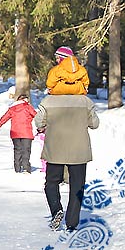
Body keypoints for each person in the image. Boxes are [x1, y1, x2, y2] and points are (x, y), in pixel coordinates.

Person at [35, 94, 99, 232]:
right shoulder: (85, 101)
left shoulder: (48, 101)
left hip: (55, 148)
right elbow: (95, 124)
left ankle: (56, 210)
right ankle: (72, 222)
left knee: (51, 183)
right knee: (77, 185)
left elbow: (39, 123)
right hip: (79, 150)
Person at [0, 94, 37, 173]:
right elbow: (36, 116)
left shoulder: (12, 108)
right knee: (26, 150)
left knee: (17, 150)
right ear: (25, 99)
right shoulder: (28, 106)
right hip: (26, 132)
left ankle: (17, 168)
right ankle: (26, 168)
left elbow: (4, 118)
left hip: (15, 133)